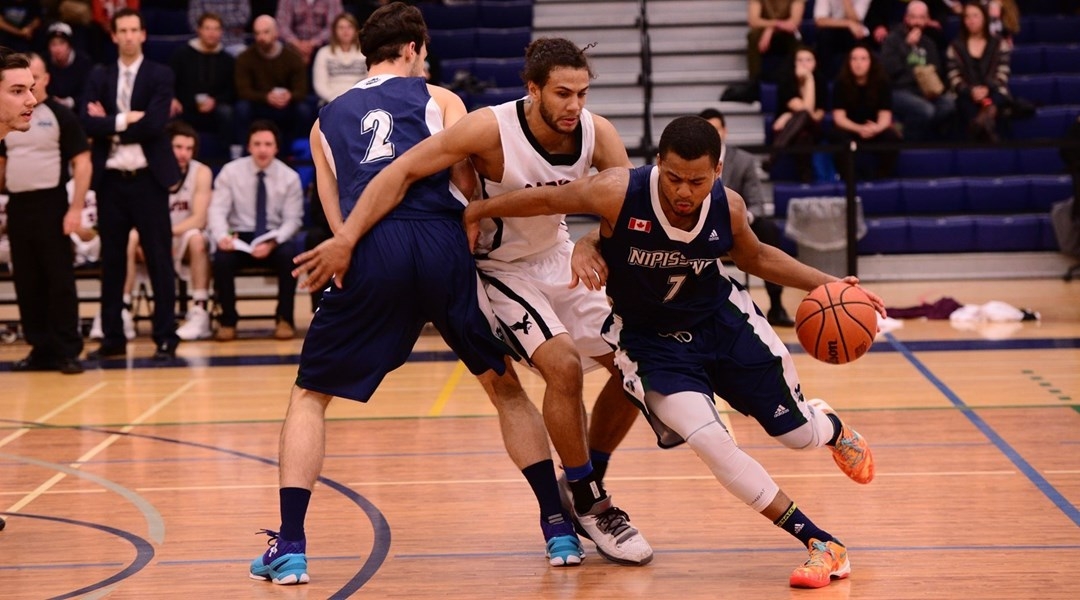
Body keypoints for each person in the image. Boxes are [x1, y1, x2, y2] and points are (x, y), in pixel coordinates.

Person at [462, 115, 884, 590]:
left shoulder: (729, 207)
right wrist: (479, 211)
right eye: (675, 178)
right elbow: (547, 198)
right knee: (711, 443)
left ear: (718, 171)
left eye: (697, 181)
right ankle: (821, 543)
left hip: (724, 326)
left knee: (798, 435)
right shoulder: (617, 191)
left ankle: (830, 428)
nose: (684, 192)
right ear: (658, 163)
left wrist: (833, 284)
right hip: (651, 345)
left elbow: (758, 258)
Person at [294, 35, 653, 568]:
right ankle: (591, 500)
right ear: (533, 89)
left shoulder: (597, 132)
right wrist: (348, 237)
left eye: (581, 93)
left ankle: (583, 484)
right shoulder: (486, 125)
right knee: (563, 368)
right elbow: (402, 171)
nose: (574, 105)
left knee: (636, 368)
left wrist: (591, 241)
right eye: (562, 94)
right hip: (499, 266)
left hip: (559, 255)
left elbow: (626, 206)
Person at [247, 3, 516, 585]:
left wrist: (347, 253)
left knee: (310, 395)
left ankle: (291, 545)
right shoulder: (440, 98)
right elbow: (467, 183)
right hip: (440, 240)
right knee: (503, 386)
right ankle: (558, 528)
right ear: (415, 47)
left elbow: (331, 200)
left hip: (369, 245)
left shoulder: (324, 118)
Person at [80, 7, 182, 362]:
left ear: (142, 34)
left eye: (133, 29)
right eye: (120, 30)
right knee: (112, 262)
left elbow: (154, 124)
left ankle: (166, 336)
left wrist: (109, 122)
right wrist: (125, 119)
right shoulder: (99, 75)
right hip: (110, 181)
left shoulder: (160, 74)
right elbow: (86, 124)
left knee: (158, 259)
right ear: (113, 35)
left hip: (148, 181)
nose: (127, 35)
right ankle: (112, 337)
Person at [0, 52, 89, 375]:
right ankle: (41, 348)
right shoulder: (8, 125)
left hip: (51, 204)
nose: (29, 98)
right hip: (18, 205)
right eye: (17, 89)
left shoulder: (60, 115)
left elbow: (83, 161)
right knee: (26, 281)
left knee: (59, 280)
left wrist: (76, 208)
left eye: (31, 86)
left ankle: (67, 350)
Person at [208, 119, 303, 341]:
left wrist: (273, 241)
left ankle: (285, 319)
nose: (262, 149)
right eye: (257, 144)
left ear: (276, 148)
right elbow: (217, 210)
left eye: (268, 144)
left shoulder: (290, 177)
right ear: (249, 146)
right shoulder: (230, 172)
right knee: (221, 259)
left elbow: (293, 220)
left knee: (290, 257)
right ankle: (228, 321)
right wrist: (223, 237)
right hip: (239, 235)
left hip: (273, 235)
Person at [700, 108, 794, 327]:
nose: (713, 134)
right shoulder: (694, 159)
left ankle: (777, 305)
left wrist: (739, 221)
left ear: (725, 131)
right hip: (700, 225)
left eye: (716, 128)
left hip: (736, 228)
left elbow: (757, 204)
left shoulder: (743, 160)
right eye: (707, 129)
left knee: (768, 228)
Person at [123, 121, 214, 341]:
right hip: (150, 235)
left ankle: (200, 310)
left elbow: (199, 219)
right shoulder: (147, 168)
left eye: (189, 149)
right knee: (130, 236)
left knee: (197, 239)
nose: (184, 154)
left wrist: (165, 234)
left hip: (181, 235)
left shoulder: (200, 172)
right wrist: (154, 237)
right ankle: (122, 309)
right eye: (178, 147)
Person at [880, 0, 955, 142]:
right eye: (914, 17)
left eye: (922, 18)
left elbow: (936, 70)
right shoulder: (893, 39)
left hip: (924, 91)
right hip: (898, 91)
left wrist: (929, 89)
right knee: (926, 110)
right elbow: (890, 69)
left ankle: (903, 128)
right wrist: (907, 47)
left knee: (949, 105)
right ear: (906, 18)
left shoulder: (928, 43)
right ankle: (907, 144)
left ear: (927, 20)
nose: (917, 22)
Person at [233, 14, 312, 146]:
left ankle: (298, 151)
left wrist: (289, 96)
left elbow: (301, 90)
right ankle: (244, 149)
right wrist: (266, 97)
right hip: (259, 104)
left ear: (276, 33)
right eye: (257, 33)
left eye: (266, 32)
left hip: (286, 105)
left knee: (303, 110)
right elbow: (243, 91)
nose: (261, 37)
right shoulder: (245, 58)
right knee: (242, 108)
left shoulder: (292, 57)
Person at [170, 11, 237, 159]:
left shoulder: (228, 60)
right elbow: (169, 81)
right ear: (199, 30)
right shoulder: (182, 54)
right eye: (207, 28)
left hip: (215, 109)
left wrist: (215, 101)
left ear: (221, 32)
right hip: (186, 106)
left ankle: (226, 158)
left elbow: (232, 90)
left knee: (227, 113)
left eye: (216, 29)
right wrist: (173, 98)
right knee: (169, 112)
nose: (211, 33)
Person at [831, 45, 901, 180]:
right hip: (851, 128)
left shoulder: (882, 82)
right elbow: (839, 118)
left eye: (863, 59)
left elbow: (885, 117)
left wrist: (876, 128)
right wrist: (859, 128)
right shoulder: (840, 83)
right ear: (848, 63)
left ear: (871, 62)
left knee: (891, 137)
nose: (858, 63)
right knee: (837, 135)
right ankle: (849, 179)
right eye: (854, 59)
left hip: (874, 129)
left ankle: (881, 177)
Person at [946, 1, 1011, 143]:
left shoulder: (999, 43)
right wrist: (971, 91)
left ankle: (979, 125)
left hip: (994, 90)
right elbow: (953, 76)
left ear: (984, 18)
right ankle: (986, 132)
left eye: (975, 16)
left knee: (994, 102)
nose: (971, 20)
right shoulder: (955, 47)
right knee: (965, 106)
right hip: (966, 93)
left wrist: (987, 89)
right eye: (967, 17)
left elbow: (1003, 72)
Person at [768, 46, 827, 183]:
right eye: (800, 60)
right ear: (794, 63)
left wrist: (809, 80)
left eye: (808, 60)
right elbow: (805, 110)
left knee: (804, 118)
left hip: (813, 129)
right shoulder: (787, 82)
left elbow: (816, 115)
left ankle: (774, 154)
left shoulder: (820, 81)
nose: (804, 64)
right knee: (803, 137)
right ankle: (806, 179)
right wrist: (796, 114)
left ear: (815, 63)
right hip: (791, 131)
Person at [311, 12, 366, 105]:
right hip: (331, 101)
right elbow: (319, 85)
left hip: (359, 100)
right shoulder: (323, 53)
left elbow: (370, 79)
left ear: (356, 30)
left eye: (349, 27)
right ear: (334, 31)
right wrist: (336, 99)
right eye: (341, 27)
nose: (345, 31)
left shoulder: (365, 52)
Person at [747, 0, 806, 84]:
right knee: (753, 36)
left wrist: (771, 29)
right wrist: (774, 25)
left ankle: (796, 81)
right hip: (764, 31)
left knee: (797, 40)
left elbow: (794, 23)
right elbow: (753, 21)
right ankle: (754, 82)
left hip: (786, 33)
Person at [813, 0, 872, 80]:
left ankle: (851, 78)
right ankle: (826, 79)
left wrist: (846, 2)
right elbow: (819, 21)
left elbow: (857, 20)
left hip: (855, 32)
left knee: (856, 36)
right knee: (824, 35)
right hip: (832, 29)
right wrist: (848, 23)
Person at [276, 0, 343, 65]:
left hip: (322, 45)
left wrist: (313, 43)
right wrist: (297, 44)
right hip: (293, 46)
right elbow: (282, 26)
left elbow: (334, 25)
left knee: (338, 38)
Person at [44, 22, 91, 110]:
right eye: (53, 44)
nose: (57, 49)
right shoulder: (43, 62)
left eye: (62, 43)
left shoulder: (84, 62)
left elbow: (88, 93)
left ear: (69, 45)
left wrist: (69, 102)